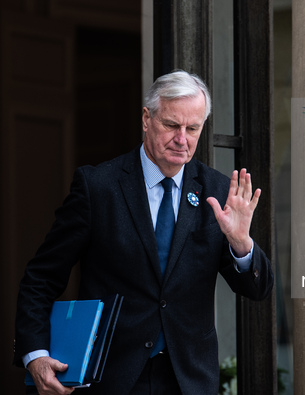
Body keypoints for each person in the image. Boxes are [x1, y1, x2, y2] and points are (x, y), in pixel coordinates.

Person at [13, 70, 274, 395]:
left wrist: (241, 243)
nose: (182, 139)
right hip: (113, 378)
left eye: (192, 128)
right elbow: (42, 277)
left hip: (189, 381)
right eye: (171, 125)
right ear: (146, 118)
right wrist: (35, 355)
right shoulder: (98, 188)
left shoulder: (218, 191)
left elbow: (258, 289)